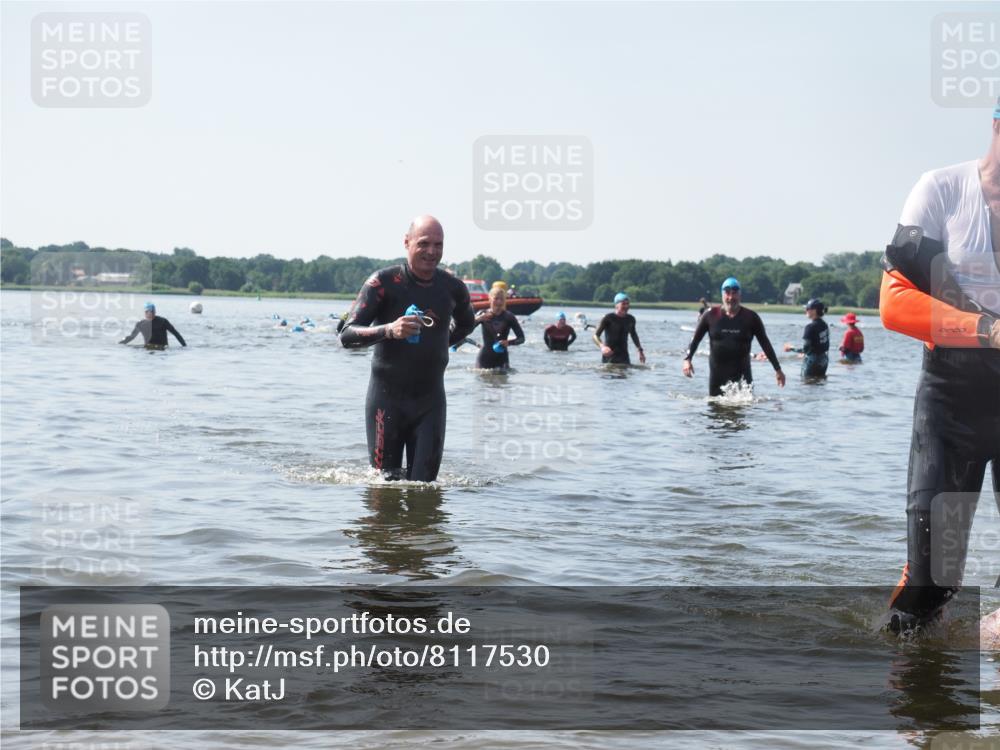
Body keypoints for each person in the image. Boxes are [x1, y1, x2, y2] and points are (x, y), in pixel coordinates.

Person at [880, 105, 1000, 635]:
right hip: (952, 401)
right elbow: (894, 303)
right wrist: (987, 330)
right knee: (929, 586)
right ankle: (917, 707)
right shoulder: (942, 190)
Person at [340, 215, 476, 482]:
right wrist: (390, 329)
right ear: (407, 242)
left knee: (425, 488)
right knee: (383, 487)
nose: (431, 251)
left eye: (438, 244)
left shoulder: (453, 289)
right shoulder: (383, 283)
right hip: (386, 401)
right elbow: (347, 335)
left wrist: (438, 343)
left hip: (430, 404)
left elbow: (467, 324)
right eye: (424, 243)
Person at [682, 277, 785, 395]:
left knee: (742, 409)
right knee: (716, 410)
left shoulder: (751, 318)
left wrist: (777, 369)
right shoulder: (710, 315)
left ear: (740, 295)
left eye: (734, 293)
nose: (731, 297)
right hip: (717, 378)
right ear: (722, 294)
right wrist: (687, 359)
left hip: (743, 379)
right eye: (727, 293)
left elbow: (765, 344)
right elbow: (695, 339)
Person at [474, 286, 525, 369]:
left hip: (502, 359)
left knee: (503, 380)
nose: (499, 302)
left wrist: (508, 342)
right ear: (490, 299)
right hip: (484, 358)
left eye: (502, 299)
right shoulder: (482, 314)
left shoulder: (509, 317)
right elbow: (467, 328)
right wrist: (479, 318)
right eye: (496, 298)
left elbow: (521, 339)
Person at [593, 292, 645, 364]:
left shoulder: (631, 319)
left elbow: (633, 335)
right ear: (616, 305)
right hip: (609, 356)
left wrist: (640, 351)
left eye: (628, 304)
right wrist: (602, 347)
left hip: (624, 357)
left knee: (625, 373)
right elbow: (595, 336)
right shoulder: (608, 318)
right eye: (623, 304)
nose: (626, 306)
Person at [783, 298, 830, 378]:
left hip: (812, 360)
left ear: (814, 310)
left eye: (808, 308)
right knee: (820, 384)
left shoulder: (810, 327)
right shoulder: (824, 325)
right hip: (824, 359)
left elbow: (806, 349)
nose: (806, 310)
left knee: (806, 383)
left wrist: (791, 348)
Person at [119, 302, 186, 349]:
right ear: (145, 313)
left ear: (155, 311)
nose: (150, 314)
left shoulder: (163, 321)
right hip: (148, 349)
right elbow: (131, 337)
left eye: (152, 311)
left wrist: (184, 346)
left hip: (162, 349)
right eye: (147, 312)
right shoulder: (140, 324)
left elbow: (176, 333)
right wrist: (120, 344)